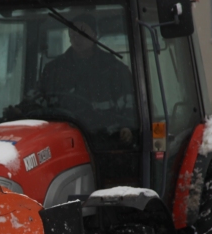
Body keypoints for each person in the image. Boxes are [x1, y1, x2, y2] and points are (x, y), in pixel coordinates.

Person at [33, 14, 137, 144]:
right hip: (62, 141)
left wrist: (127, 127)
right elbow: (36, 100)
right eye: (72, 33)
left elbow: (130, 105)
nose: (76, 37)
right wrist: (19, 111)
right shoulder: (53, 70)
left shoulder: (114, 69)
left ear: (94, 35)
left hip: (107, 141)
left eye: (82, 32)